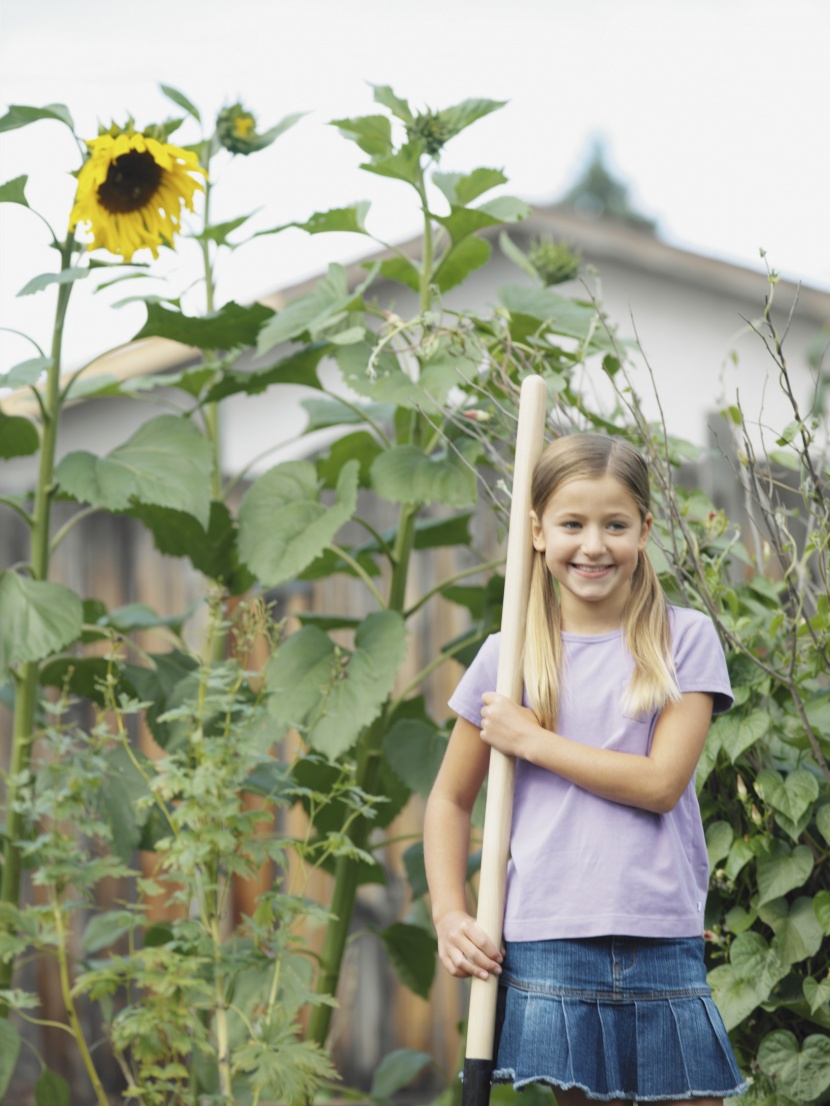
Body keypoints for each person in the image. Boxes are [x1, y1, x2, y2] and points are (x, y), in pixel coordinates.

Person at [424, 432, 747, 1105]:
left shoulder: (682, 639)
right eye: (572, 524)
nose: (593, 545)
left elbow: (660, 784)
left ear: (645, 530)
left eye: (615, 524)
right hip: (550, 937)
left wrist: (533, 741)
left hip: (659, 933)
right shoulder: (506, 656)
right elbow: (450, 801)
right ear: (537, 532)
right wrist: (450, 915)